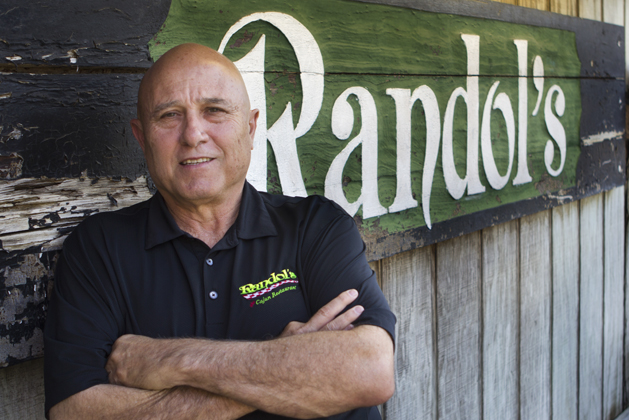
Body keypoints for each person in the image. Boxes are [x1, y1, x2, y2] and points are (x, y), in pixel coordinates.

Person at [43, 43, 396, 420]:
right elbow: (75, 412)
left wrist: (172, 359)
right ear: (142, 137)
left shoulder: (316, 226)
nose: (193, 134)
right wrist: (287, 364)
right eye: (169, 115)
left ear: (250, 126)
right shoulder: (100, 248)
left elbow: (370, 370)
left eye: (214, 110)